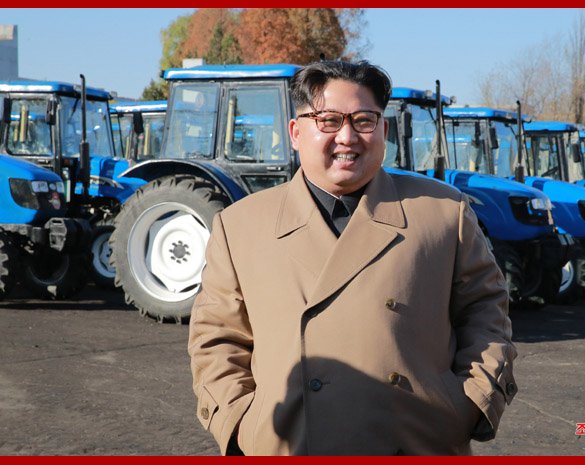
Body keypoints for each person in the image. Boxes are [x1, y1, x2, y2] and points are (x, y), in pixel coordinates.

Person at [188, 60, 517, 456]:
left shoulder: (443, 212)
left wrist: (471, 401)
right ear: (295, 132)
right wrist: (241, 422)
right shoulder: (240, 226)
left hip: (420, 442)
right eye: (328, 120)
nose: (347, 136)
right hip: (288, 444)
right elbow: (216, 338)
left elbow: (486, 310)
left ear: (384, 131)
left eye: (364, 120)